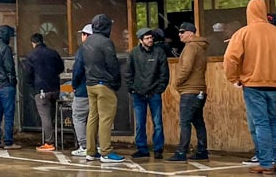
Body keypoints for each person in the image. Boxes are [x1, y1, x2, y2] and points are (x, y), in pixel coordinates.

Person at [223, 0, 276, 175]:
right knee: (273, 121)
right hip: (274, 85)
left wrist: (234, 78)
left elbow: (231, 58)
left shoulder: (243, 33)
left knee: (260, 123)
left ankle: (266, 162)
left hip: (253, 85)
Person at [78, 14, 124, 163]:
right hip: (104, 84)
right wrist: (116, 81)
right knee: (106, 118)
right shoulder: (106, 42)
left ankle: (90, 151)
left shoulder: (86, 42)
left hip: (90, 84)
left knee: (93, 117)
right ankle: (106, 151)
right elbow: (112, 64)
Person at [122, 27, 169, 159]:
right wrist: (131, 88)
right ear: (140, 40)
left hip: (154, 93)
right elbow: (128, 73)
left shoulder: (159, 52)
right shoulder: (134, 53)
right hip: (138, 93)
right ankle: (142, 148)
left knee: (158, 122)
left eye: (151, 38)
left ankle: (158, 148)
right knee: (140, 123)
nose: (150, 40)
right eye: (147, 38)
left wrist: (159, 89)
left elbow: (164, 73)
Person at [169, 21, 208, 161]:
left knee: (185, 122)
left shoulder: (191, 47)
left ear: (191, 33)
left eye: (182, 32)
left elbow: (186, 67)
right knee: (198, 121)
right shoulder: (200, 47)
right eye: (179, 32)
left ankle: (181, 152)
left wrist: (177, 81)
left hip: (190, 90)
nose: (180, 35)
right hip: (200, 89)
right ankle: (202, 151)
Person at [26, 33, 64, 152]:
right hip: (55, 88)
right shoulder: (53, 53)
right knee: (54, 115)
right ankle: (60, 139)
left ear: (33, 43)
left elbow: (28, 73)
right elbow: (60, 68)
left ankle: (49, 142)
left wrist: (33, 86)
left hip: (41, 90)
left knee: (45, 117)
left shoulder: (31, 55)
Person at [69, 25, 92, 156]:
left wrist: (74, 84)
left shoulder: (83, 51)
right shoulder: (103, 48)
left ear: (86, 35)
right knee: (95, 118)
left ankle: (84, 145)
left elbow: (77, 70)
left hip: (83, 89)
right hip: (99, 89)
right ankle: (97, 144)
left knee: (78, 117)